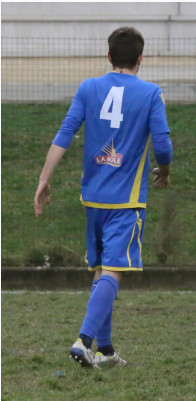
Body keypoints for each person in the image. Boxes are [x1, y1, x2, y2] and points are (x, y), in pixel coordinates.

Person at [33, 27, 173, 368]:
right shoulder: (151, 93)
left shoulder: (88, 88)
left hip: (92, 198)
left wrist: (44, 179)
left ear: (108, 56)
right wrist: (165, 172)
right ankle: (83, 341)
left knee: (100, 271)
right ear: (141, 59)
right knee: (113, 272)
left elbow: (65, 132)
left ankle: (106, 351)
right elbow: (163, 145)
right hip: (126, 202)